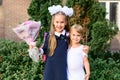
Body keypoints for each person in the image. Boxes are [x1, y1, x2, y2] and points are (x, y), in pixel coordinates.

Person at [39, 5, 73, 80]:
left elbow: (74, 48)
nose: (59, 25)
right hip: (50, 68)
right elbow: (44, 49)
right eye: (57, 22)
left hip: (62, 69)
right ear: (53, 22)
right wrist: (38, 50)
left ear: (66, 22)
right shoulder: (49, 36)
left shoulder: (68, 36)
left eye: (62, 22)